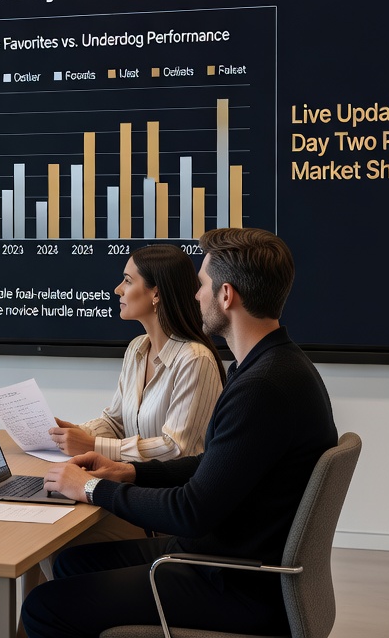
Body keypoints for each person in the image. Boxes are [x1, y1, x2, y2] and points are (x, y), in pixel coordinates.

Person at [22, 227, 338, 638]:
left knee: (45, 607)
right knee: (70, 564)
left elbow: (190, 512)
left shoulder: (263, 387)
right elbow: (213, 465)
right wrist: (130, 473)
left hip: (234, 582)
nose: (195, 296)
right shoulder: (272, 367)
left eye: (202, 285)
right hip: (233, 556)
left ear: (227, 295)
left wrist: (92, 490)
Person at [39, 244, 225, 571]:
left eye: (127, 280)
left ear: (156, 293)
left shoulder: (195, 360)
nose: (118, 290)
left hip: (165, 510)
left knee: (55, 542)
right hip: (133, 493)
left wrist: (94, 445)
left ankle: (63, 615)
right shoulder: (137, 348)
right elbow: (114, 421)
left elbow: (176, 448)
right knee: (48, 533)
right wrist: (75, 433)